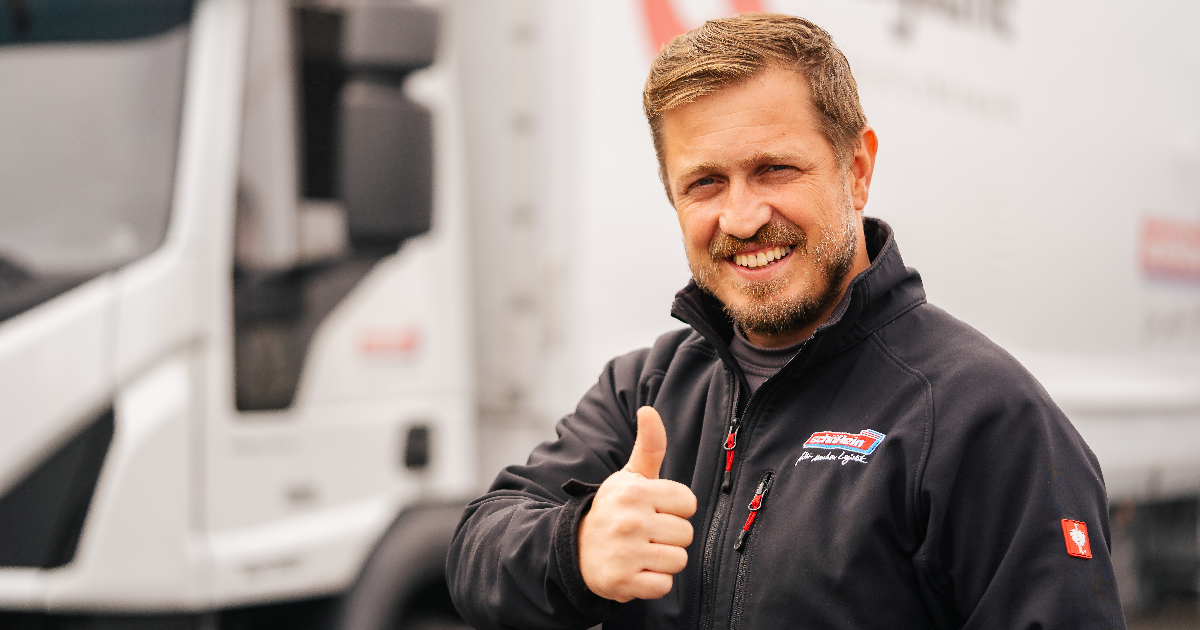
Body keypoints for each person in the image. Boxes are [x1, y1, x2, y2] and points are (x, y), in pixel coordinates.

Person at [447, 13, 1125, 629]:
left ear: (856, 171)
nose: (742, 218)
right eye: (705, 183)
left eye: (774, 169)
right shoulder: (646, 390)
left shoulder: (981, 415)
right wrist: (575, 548)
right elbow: (476, 549)